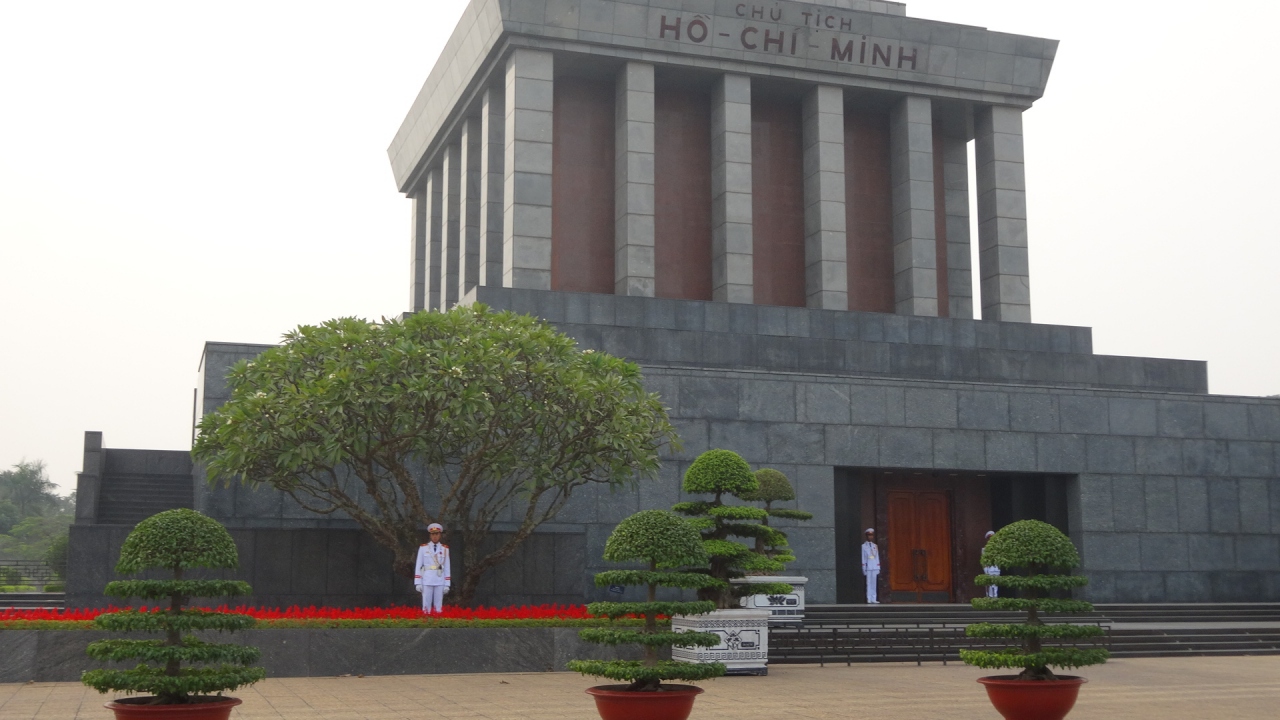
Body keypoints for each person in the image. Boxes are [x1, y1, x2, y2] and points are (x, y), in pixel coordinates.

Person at [415, 523, 451, 614]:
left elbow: (447, 567)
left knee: (438, 606)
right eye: (433, 534)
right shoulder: (423, 548)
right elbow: (419, 565)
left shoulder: (445, 549)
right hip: (427, 579)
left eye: (437, 534)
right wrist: (418, 582)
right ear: (430, 535)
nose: (435, 536)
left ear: (440, 535)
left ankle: (437, 621)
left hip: (440, 579)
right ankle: (426, 620)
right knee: (426, 605)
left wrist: (447, 584)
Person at [861, 528, 881, 604]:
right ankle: (868, 598)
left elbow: (877, 557)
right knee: (868, 583)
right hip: (868, 566)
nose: (870, 537)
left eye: (871, 535)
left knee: (874, 583)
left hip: (874, 566)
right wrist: (864, 568)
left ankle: (874, 598)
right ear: (866, 536)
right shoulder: (863, 546)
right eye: (869, 535)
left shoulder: (875, 546)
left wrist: (878, 567)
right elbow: (863, 558)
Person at [982, 530, 1000, 598]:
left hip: (996, 567)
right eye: (989, 538)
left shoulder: (997, 549)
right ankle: (989, 597)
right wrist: (985, 568)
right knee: (989, 583)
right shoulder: (984, 549)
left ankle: (995, 597)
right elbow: (983, 560)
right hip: (988, 567)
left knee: (995, 584)